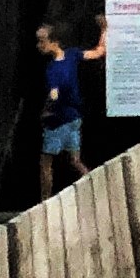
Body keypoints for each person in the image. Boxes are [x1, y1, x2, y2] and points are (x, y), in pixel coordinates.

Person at [31, 17, 99, 197]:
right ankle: (94, 186)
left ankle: (45, 200)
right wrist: (105, 28)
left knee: (45, 162)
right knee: (75, 160)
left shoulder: (52, 69)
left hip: (58, 120)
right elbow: (99, 52)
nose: (39, 45)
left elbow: (54, 95)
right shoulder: (73, 55)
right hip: (75, 117)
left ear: (54, 42)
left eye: (42, 41)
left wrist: (46, 111)